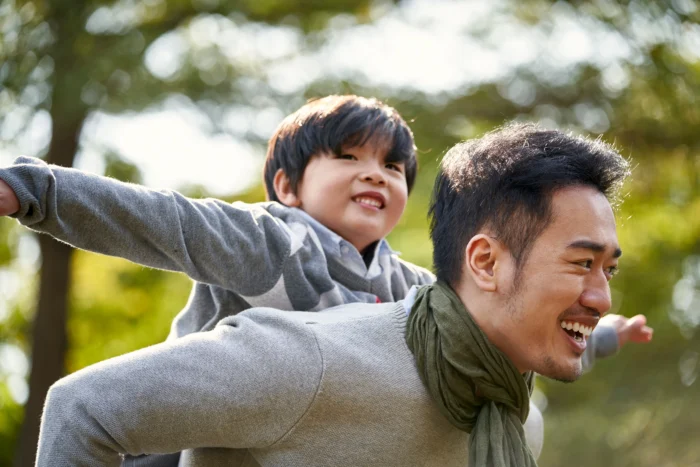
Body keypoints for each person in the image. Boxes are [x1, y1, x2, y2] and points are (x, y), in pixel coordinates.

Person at [33, 123, 649, 466]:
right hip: (168, 439)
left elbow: (512, 323)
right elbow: (159, 222)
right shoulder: (269, 247)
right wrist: (37, 191)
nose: (374, 174)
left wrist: (606, 339)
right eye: (348, 157)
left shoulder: (504, 407)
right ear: (286, 185)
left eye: (392, 167)